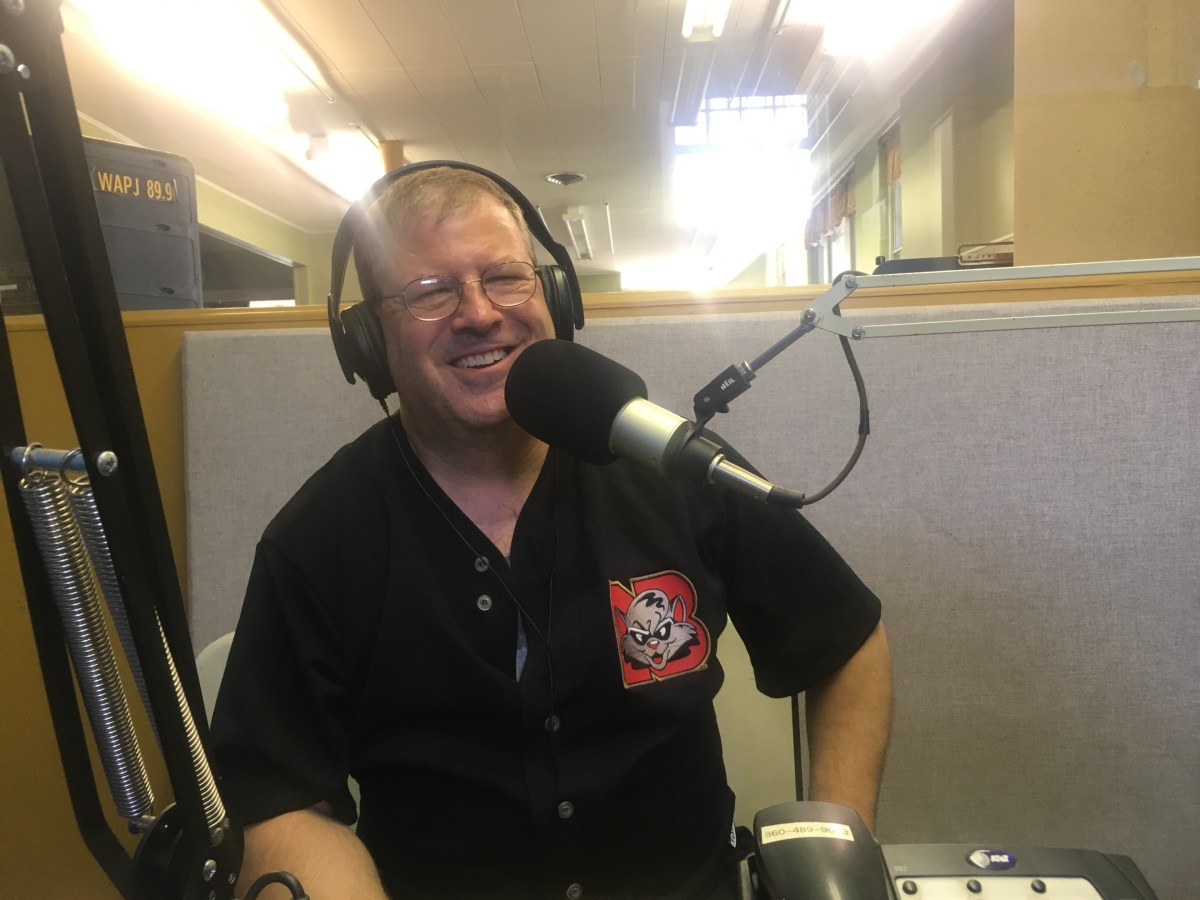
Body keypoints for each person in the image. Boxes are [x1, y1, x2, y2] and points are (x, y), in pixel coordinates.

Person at [209, 165, 892, 900]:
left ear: (555, 298)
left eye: (506, 278)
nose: (479, 314)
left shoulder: (672, 469)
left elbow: (844, 640)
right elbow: (275, 800)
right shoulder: (318, 540)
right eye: (431, 292)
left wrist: (835, 855)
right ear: (368, 341)